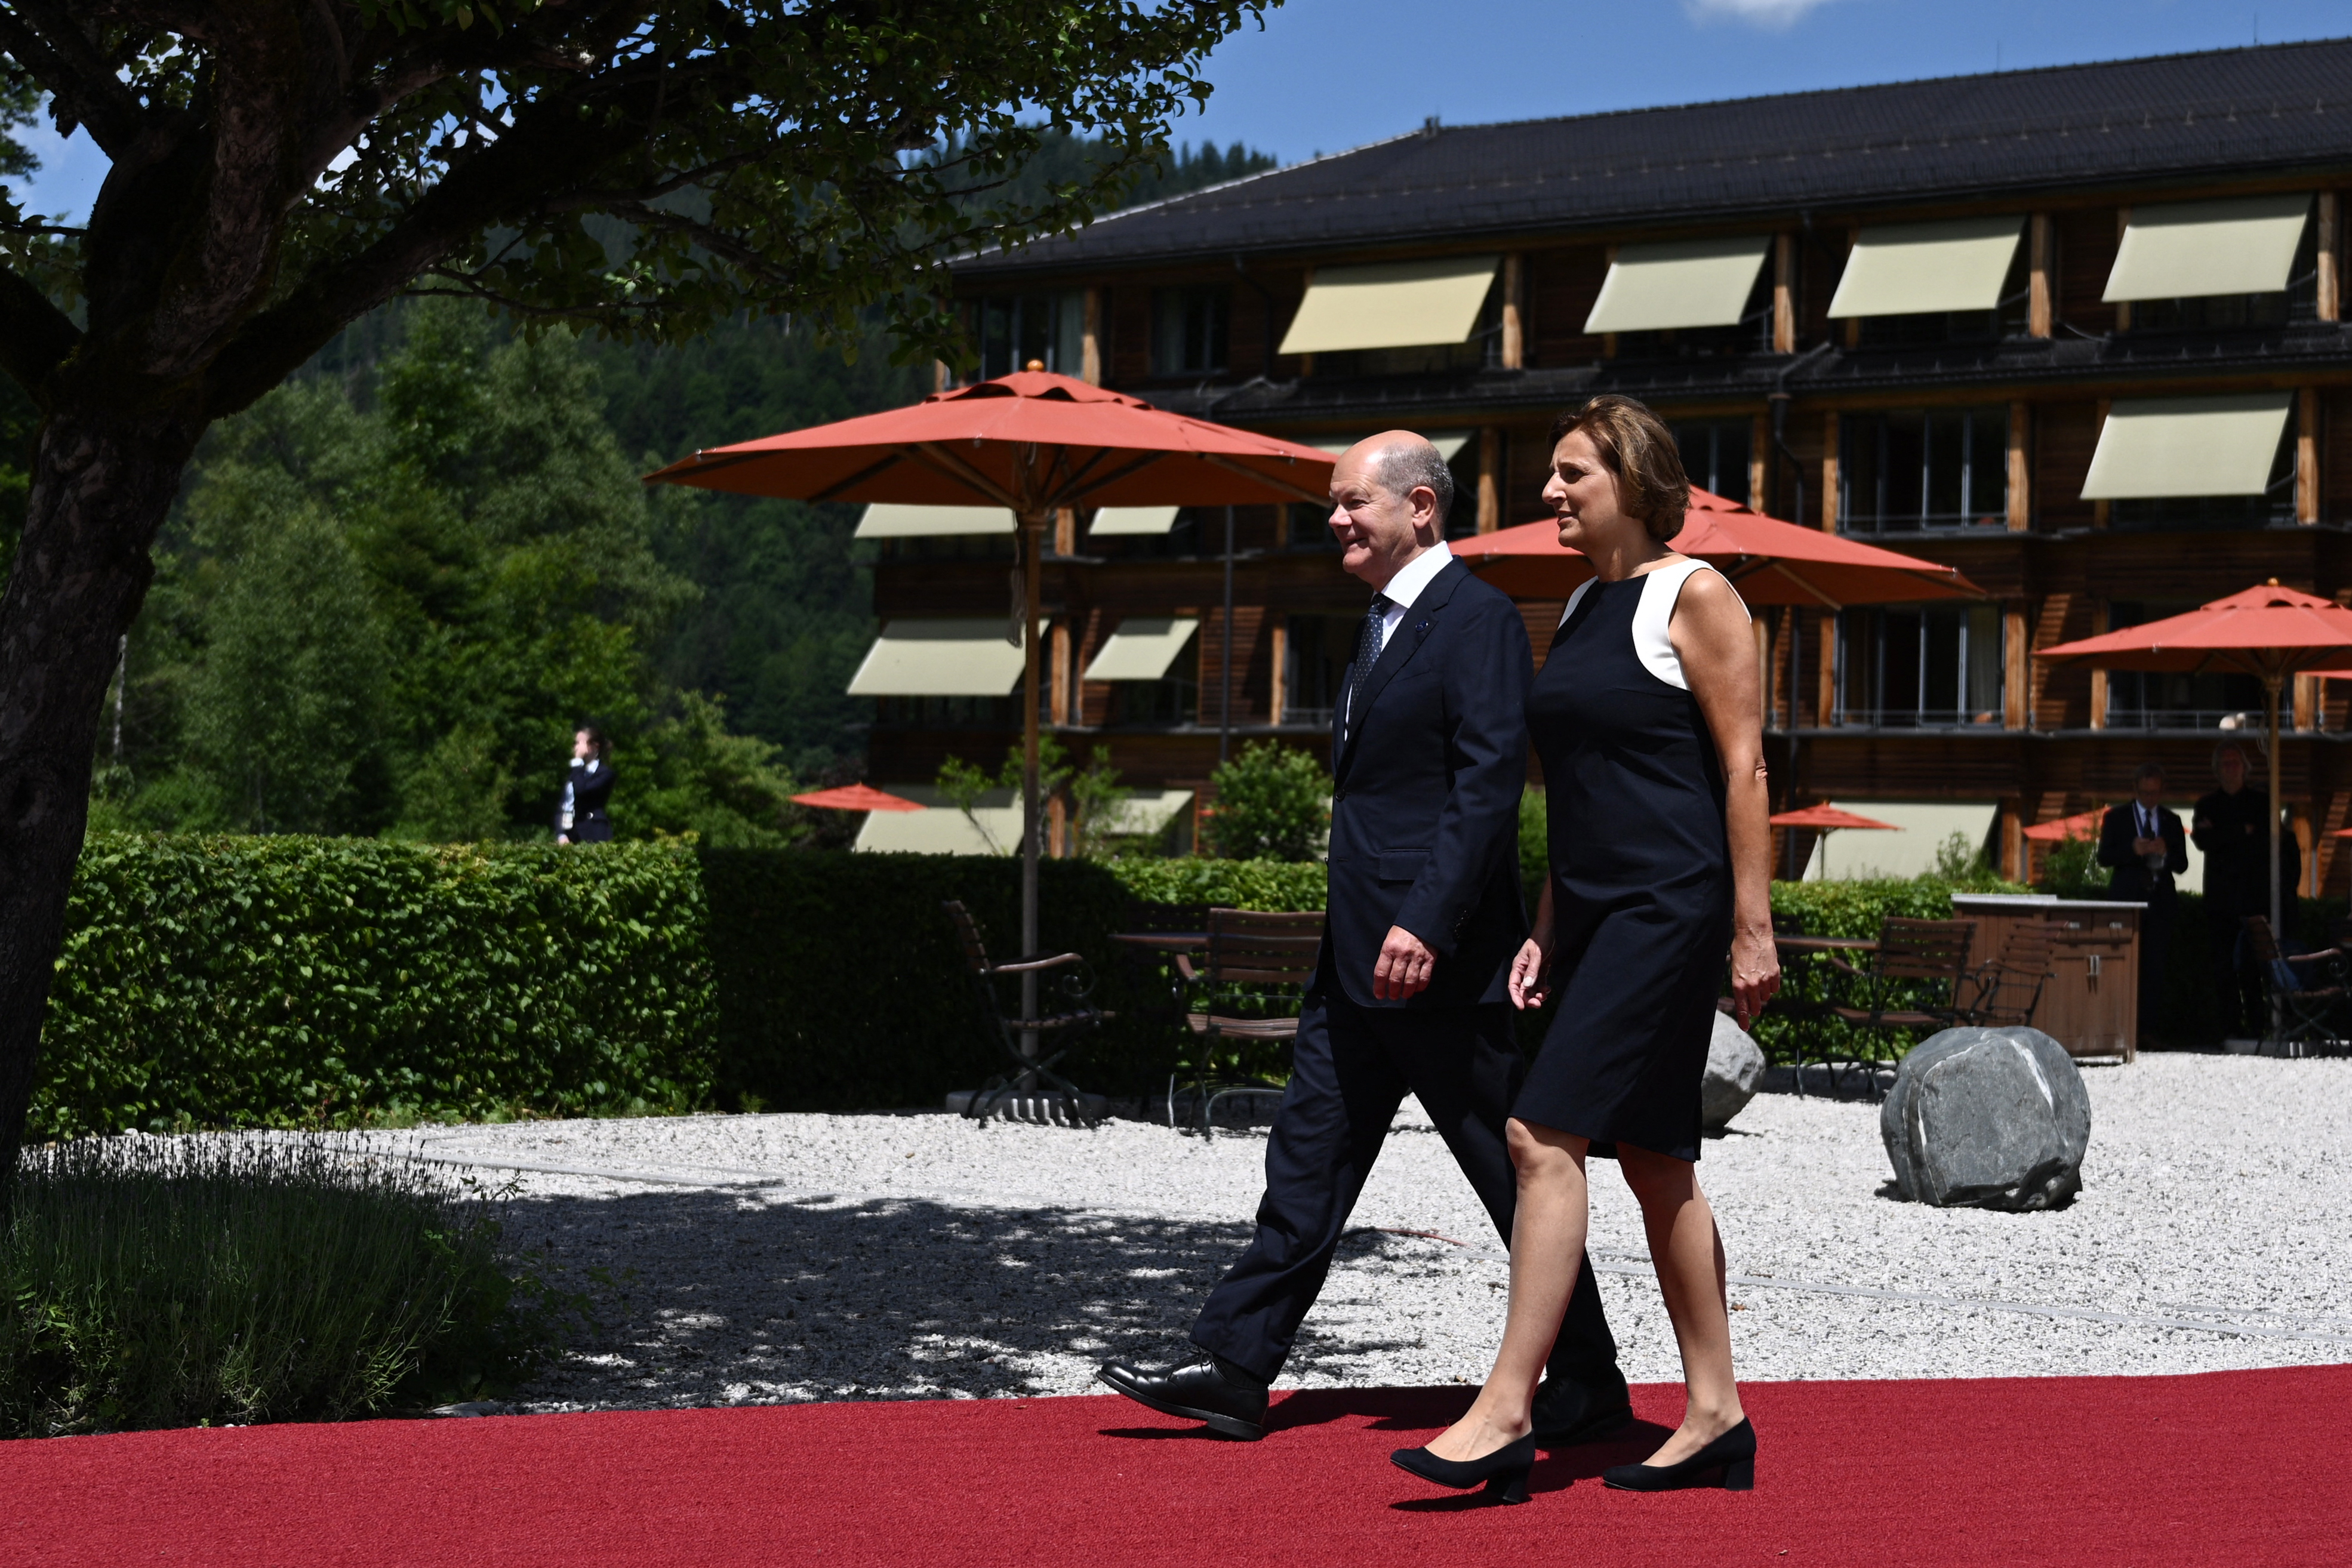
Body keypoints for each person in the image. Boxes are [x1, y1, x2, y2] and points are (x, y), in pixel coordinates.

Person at [1097, 433, 1631, 1447]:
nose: (1336, 518)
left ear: (1421, 508)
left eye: (1353, 502)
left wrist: (1425, 920)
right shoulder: (1380, 623)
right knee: (1307, 1162)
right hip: (1355, 966)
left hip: (1438, 964)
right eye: (1334, 504)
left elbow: (1485, 786)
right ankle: (1236, 1366)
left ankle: (1591, 1372)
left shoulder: (1472, 620)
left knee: (1510, 1173)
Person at [1390, 396, 1777, 1504]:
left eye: (1573, 474)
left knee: (1537, 1131)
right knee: (1658, 1160)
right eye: (1552, 475)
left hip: (1670, 905)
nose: (1551, 492)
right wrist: (1550, 926)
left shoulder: (1696, 596)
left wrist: (1754, 926)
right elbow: (1581, 791)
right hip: (1597, 909)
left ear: (1634, 480)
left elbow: (1744, 771)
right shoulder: (1580, 603)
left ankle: (1507, 1408)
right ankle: (1715, 1415)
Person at [2192, 741, 2299, 1038]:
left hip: (2255, 897)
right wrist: (2241, 832)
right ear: (2217, 770)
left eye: (2235, 763)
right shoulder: (2206, 804)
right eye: (2224, 764)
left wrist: (2223, 835)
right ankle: (2230, 1028)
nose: (2230, 768)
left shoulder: (2261, 802)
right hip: (2220, 900)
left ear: (2245, 768)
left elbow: (2264, 843)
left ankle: (2257, 1027)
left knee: (2256, 967)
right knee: (2223, 968)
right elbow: (2203, 841)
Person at [2098, 762, 2187, 1046]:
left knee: (2155, 968)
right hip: (2126, 902)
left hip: (2160, 903)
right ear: (2135, 790)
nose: (2150, 798)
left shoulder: (2172, 821)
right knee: (2124, 967)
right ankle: (2121, 1027)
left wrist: (2167, 852)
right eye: (2145, 793)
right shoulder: (2116, 818)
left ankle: (2149, 1031)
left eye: (2155, 793)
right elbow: (2104, 857)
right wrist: (2132, 850)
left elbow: (2183, 864)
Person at [555, 727, 616, 844]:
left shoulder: (605, 773)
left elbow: (581, 790)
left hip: (593, 833)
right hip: (571, 834)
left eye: (579, 743)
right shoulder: (576, 772)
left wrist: (578, 761)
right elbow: (563, 805)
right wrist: (561, 834)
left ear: (595, 746)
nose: (576, 747)